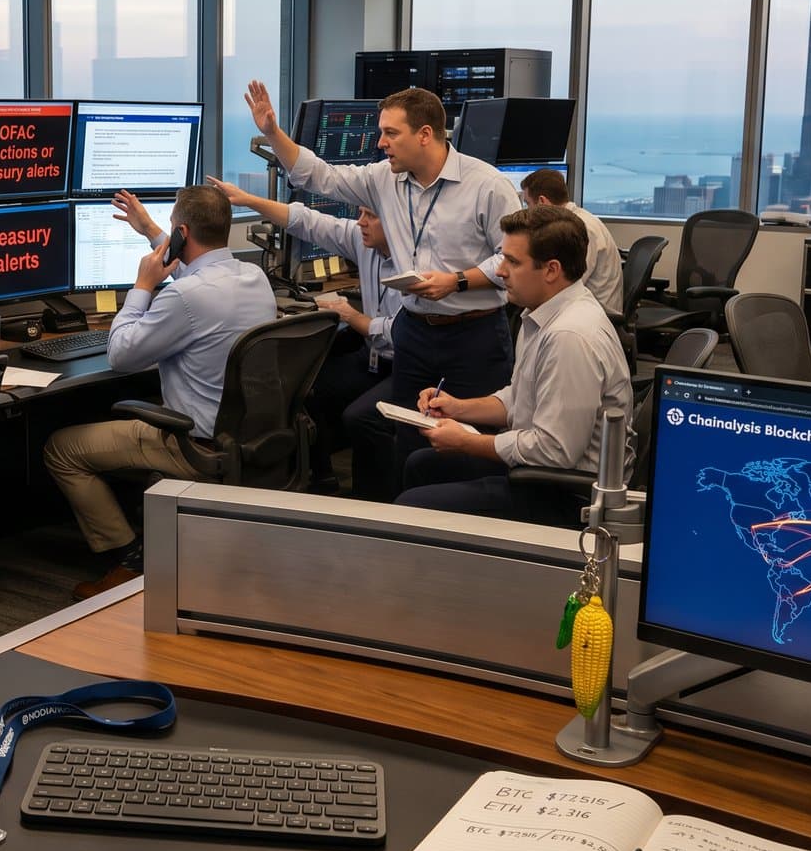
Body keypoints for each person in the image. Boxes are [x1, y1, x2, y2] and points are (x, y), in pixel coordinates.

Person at [243, 81, 522, 484]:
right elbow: (317, 176)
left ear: (425, 135)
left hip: (472, 335)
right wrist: (273, 133)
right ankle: (406, 524)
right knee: (408, 440)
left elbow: (510, 258)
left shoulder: (487, 186)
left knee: (468, 449)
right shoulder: (383, 179)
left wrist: (457, 282)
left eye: (391, 133)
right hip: (415, 333)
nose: (381, 143)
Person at [44, 184, 276, 599]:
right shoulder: (253, 276)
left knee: (62, 448)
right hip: (247, 438)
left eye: (173, 230)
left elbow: (120, 354)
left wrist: (142, 286)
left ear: (183, 233)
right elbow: (202, 278)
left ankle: (131, 558)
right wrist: (151, 229)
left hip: (193, 443)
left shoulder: (183, 297)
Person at [395, 205, 631, 525]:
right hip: (542, 473)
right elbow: (518, 398)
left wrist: (466, 442)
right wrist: (456, 407)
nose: (500, 270)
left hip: (566, 494)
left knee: (412, 505)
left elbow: (554, 451)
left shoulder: (569, 336)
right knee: (420, 464)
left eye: (513, 261)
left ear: (551, 269)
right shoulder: (543, 312)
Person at [210, 176, 403, 500]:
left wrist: (350, 316)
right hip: (369, 359)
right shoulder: (363, 242)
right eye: (360, 213)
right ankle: (321, 481)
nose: (360, 222)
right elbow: (308, 222)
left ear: (396, 222)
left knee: (360, 418)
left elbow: (399, 336)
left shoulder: (415, 260)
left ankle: (374, 504)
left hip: (403, 365)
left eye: (369, 215)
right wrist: (249, 200)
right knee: (306, 388)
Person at [520, 167, 623, 315]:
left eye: (527, 204)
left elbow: (567, 284)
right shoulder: (571, 222)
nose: (526, 211)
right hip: (583, 306)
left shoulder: (582, 227)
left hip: (597, 314)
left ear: (542, 202)